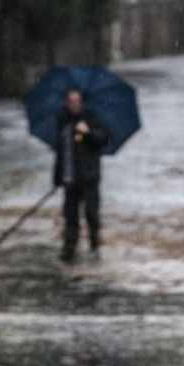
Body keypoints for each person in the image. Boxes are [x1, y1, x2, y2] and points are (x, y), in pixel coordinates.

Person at [52, 89, 109, 263]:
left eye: (77, 101)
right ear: (67, 103)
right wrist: (56, 178)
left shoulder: (92, 118)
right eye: (71, 101)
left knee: (91, 214)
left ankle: (94, 247)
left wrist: (87, 133)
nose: (74, 104)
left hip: (89, 178)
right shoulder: (63, 122)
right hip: (70, 179)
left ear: (82, 102)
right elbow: (60, 153)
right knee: (70, 217)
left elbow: (103, 139)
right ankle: (69, 249)